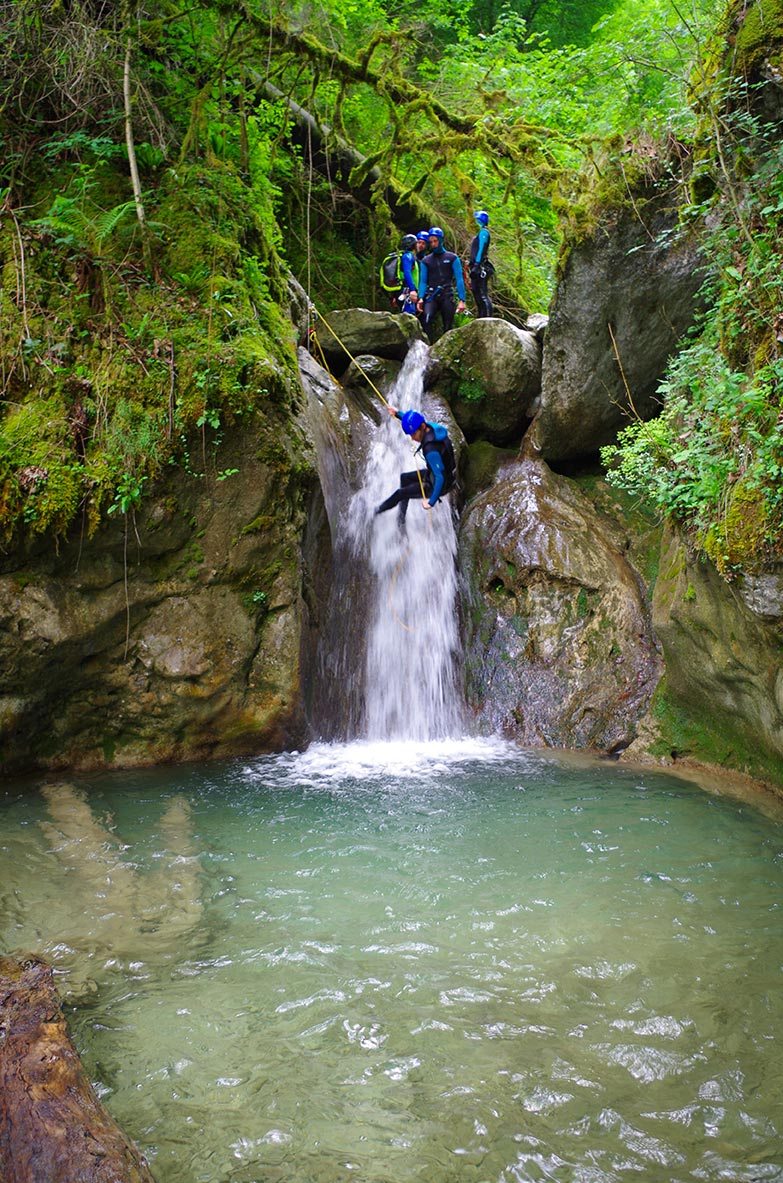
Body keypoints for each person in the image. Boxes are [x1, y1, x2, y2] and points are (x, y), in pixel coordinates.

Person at [375, 405, 456, 523]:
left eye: (413, 434)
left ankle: (375, 512)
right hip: (439, 474)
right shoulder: (431, 428)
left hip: (441, 484)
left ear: (422, 427)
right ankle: (401, 519)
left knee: (399, 493)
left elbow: (440, 477)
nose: (412, 438)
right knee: (404, 478)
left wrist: (431, 501)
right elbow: (415, 422)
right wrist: (398, 413)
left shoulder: (431, 449)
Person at [416, 227, 467, 343]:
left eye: (435, 241)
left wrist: (462, 300)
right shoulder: (426, 260)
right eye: (431, 241)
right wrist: (420, 298)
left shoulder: (452, 258)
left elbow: (459, 279)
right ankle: (429, 346)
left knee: (448, 326)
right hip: (431, 295)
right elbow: (423, 281)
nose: (433, 244)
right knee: (427, 319)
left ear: (441, 240)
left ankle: (444, 349)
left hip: (447, 295)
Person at [468, 209, 494, 318]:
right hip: (476, 266)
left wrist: (477, 265)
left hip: (481, 267)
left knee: (482, 293)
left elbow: (481, 249)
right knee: (476, 291)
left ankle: (487, 317)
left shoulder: (484, 233)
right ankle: (481, 316)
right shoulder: (480, 234)